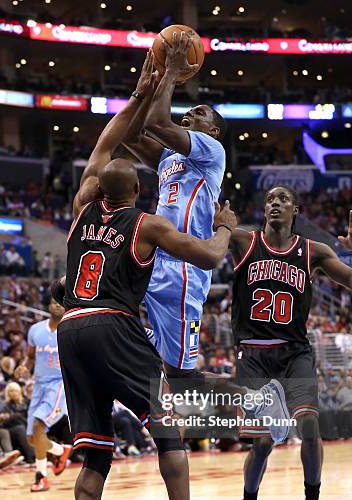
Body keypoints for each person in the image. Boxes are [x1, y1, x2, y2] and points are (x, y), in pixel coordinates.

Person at [53, 53, 237, 500]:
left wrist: (153, 84)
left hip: (103, 312)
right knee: (166, 421)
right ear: (132, 190)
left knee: (101, 444)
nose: (190, 118)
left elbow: (122, 139)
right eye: (190, 112)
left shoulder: (88, 201)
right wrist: (162, 81)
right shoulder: (149, 214)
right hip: (134, 298)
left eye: (199, 114)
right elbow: (145, 132)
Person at [229, 186, 352, 500]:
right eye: (270, 200)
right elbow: (204, 249)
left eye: (283, 200)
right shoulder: (244, 241)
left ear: (296, 210)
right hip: (254, 355)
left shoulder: (313, 252)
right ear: (264, 210)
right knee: (261, 442)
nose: (275, 203)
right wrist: (218, 226)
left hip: (294, 353)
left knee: (309, 424)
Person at [122, 34, 227, 381]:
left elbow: (156, 124)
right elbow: (131, 136)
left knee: (180, 377)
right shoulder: (170, 156)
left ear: (211, 130)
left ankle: (259, 401)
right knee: (111, 317)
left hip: (185, 264)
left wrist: (171, 73)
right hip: (154, 255)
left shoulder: (212, 151)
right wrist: (146, 90)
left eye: (198, 113)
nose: (189, 114)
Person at [14, 299, 71, 492]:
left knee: (39, 426)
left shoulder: (70, 330)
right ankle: (60, 451)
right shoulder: (35, 330)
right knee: (32, 438)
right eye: (55, 301)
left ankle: (41, 477)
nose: (58, 305)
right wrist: (24, 367)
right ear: (49, 304)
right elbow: (30, 357)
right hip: (38, 385)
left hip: (59, 386)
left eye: (62, 302)